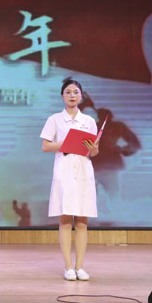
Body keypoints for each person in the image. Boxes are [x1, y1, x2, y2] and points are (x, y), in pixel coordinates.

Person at [40, 78, 99, 281]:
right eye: (68, 92)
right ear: (62, 96)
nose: (72, 95)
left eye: (76, 92)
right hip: (64, 170)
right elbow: (45, 146)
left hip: (83, 170)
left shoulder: (89, 121)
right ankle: (68, 267)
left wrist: (93, 148)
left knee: (82, 221)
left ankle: (80, 267)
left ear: (81, 96)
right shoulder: (54, 119)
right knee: (65, 220)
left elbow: (94, 152)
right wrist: (65, 143)